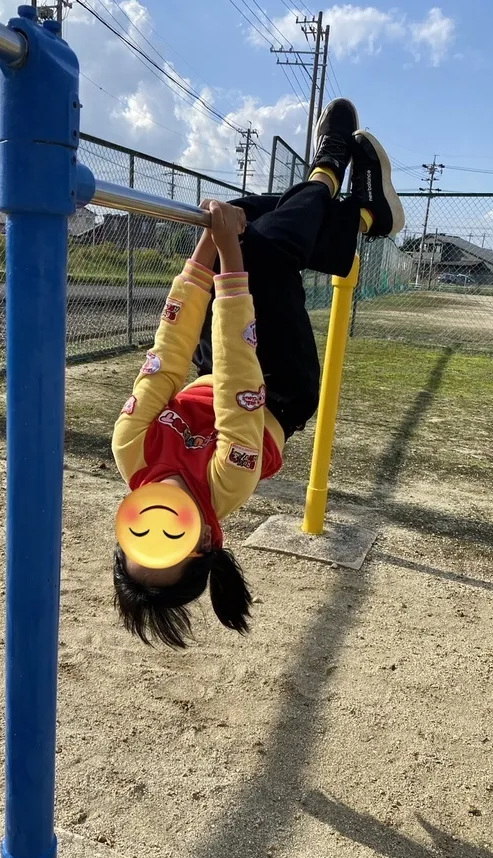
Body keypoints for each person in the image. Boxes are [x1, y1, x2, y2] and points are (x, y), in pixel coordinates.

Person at [111, 99, 404, 648]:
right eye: (166, 545)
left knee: (240, 219)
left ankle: (361, 217)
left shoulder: (131, 450)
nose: (153, 521)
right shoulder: (231, 480)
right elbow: (238, 385)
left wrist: (205, 252)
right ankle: (329, 166)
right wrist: (231, 258)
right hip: (278, 389)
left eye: (136, 540)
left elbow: (167, 356)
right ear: (201, 545)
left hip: (210, 370)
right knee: (259, 251)